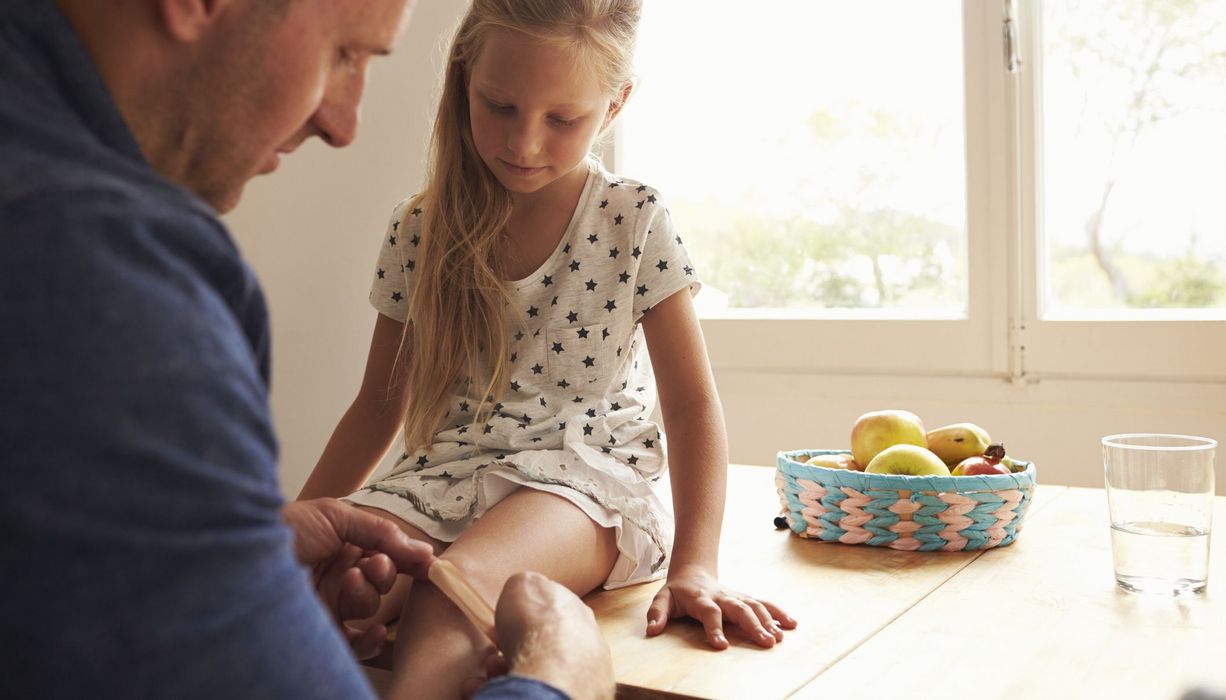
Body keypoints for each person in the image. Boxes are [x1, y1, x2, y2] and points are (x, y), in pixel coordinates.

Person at [0, 0, 613, 698]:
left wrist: (239, 552)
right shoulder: (94, 275)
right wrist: (561, 678)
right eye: (344, 54)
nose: (342, 123)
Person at [297, 0, 797, 696]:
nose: (523, 143)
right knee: (321, 587)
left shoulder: (632, 216)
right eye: (499, 106)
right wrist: (271, 555)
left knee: (455, 589)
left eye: (562, 120)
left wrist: (695, 564)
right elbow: (379, 404)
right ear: (464, 77)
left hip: (582, 479)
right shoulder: (419, 226)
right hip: (445, 475)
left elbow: (690, 406)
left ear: (615, 105)